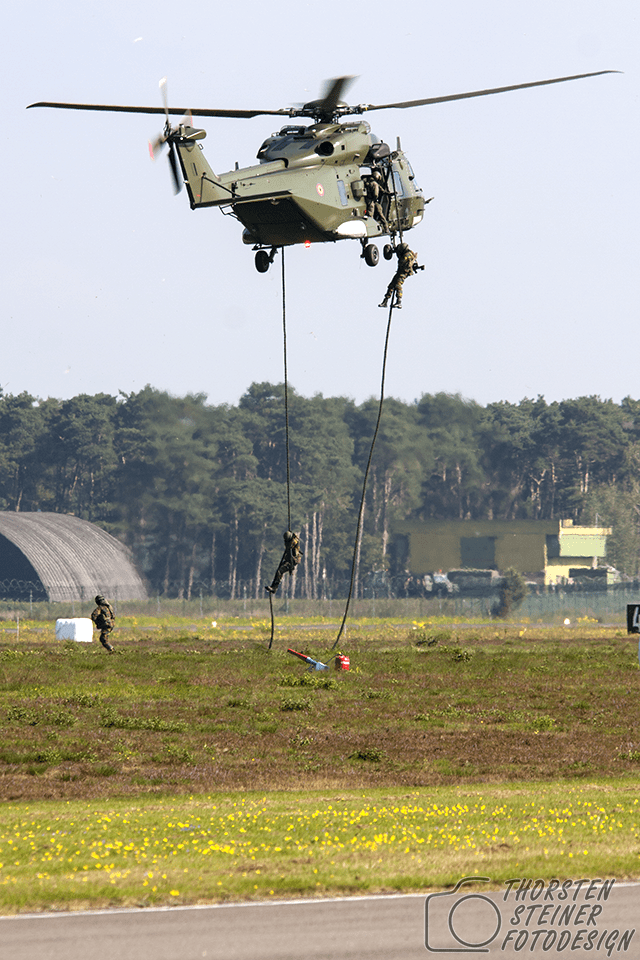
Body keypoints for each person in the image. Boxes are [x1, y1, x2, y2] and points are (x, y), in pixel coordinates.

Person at [379, 243, 419, 309]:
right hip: (400, 271)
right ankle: (385, 301)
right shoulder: (408, 253)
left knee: (398, 285)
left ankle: (399, 302)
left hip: (404, 272)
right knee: (391, 285)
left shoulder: (407, 255)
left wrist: (399, 254)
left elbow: (401, 262)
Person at [265, 530, 303, 595]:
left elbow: (291, 545)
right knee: (278, 571)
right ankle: (273, 586)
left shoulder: (294, 541)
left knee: (280, 571)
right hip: (288, 559)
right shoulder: (290, 541)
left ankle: (274, 588)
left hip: (292, 561)